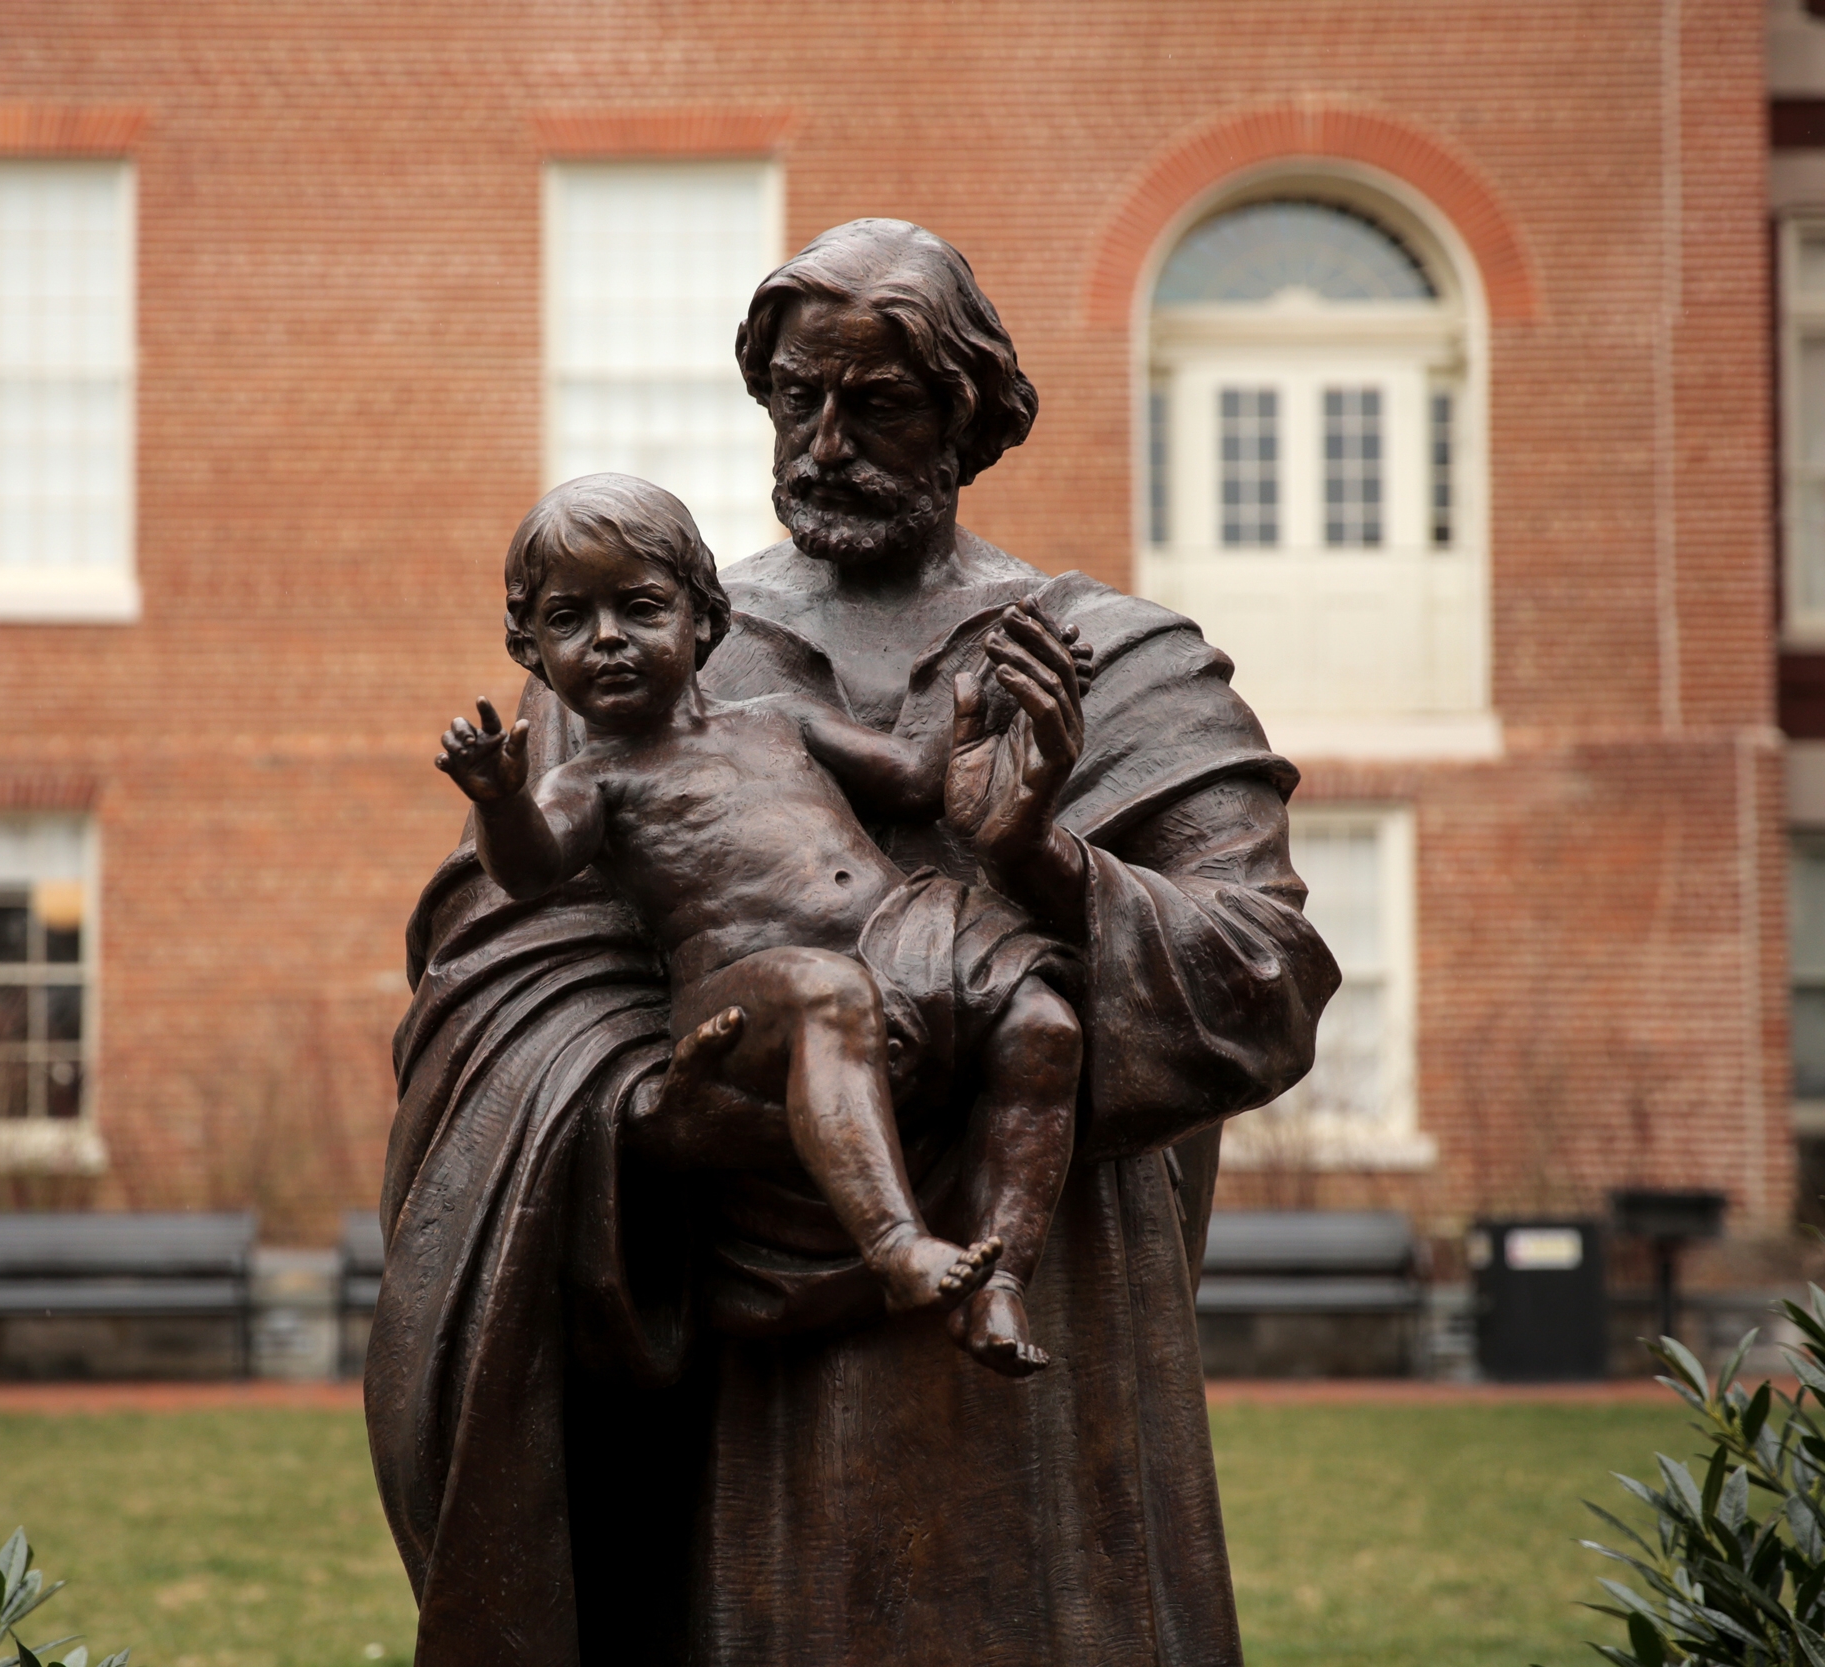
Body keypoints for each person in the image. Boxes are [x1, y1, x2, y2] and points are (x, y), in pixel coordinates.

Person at [369, 220, 1341, 1666]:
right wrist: (657, 1114)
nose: (823, 441)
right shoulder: (645, 657)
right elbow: (495, 1002)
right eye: (792, 398)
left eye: (874, 402)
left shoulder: (1110, 660)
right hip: (750, 1388)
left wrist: (1038, 855)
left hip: (1054, 1392)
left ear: (967, 413)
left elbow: (1261, 978)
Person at [436, 471, 1090, 1373]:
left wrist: (996, 699)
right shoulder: (592, 781)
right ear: (530, 651)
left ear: (705, 619)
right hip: (753, 981)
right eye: (568, 620)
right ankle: (899, 1248)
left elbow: (908, 776)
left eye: (639, 607)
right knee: (828, 992)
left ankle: (1001, 1281)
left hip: (905, 933)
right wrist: (501, 801)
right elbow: (530, 866)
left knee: (1045, 1025)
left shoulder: (779, 718)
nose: (609, 640)